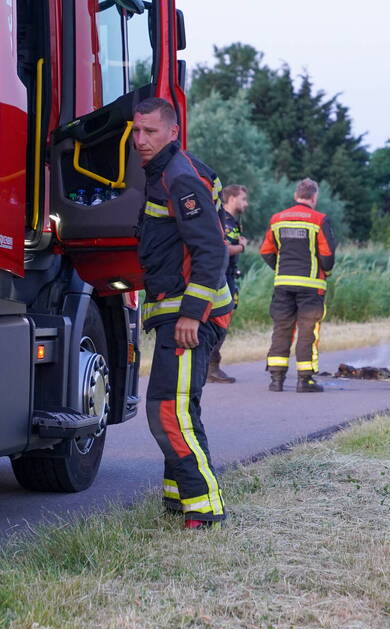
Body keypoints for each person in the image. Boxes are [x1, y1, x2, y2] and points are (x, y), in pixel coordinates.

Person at [132, 98, 232, 529]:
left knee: (168, 409)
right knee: (179, 406)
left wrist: (192, 313)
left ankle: (204, 509)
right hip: (180, 312)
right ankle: (179, 501)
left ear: (173, 132)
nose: (141, 140)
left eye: (150, 132)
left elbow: (211, 250)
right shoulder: (169, 171)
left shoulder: (179, 178)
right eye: (136, 131)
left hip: (191, 317)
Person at [259, 179, 336, 393]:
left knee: (281, 328)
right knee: (307, 331)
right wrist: (326, 271)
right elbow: (327, 255)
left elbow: (265, 251)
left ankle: (276, 380)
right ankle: (305, 380)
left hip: (283, 283)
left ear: (296, 196)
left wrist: (280, 269)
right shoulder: (319, 220)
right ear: (314, 197)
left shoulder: (277, 219)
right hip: (311, 286)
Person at [208, 184, 249, 384]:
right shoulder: (224, 220)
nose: (246, 204)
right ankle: (211, 367)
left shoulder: (231, 220)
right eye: (243, 199)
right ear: (232, 198)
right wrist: (241, 247)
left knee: (223, 321)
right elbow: (223, 249)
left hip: (230, 275)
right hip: (223, 277)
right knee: (220, 321)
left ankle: (211, 366)